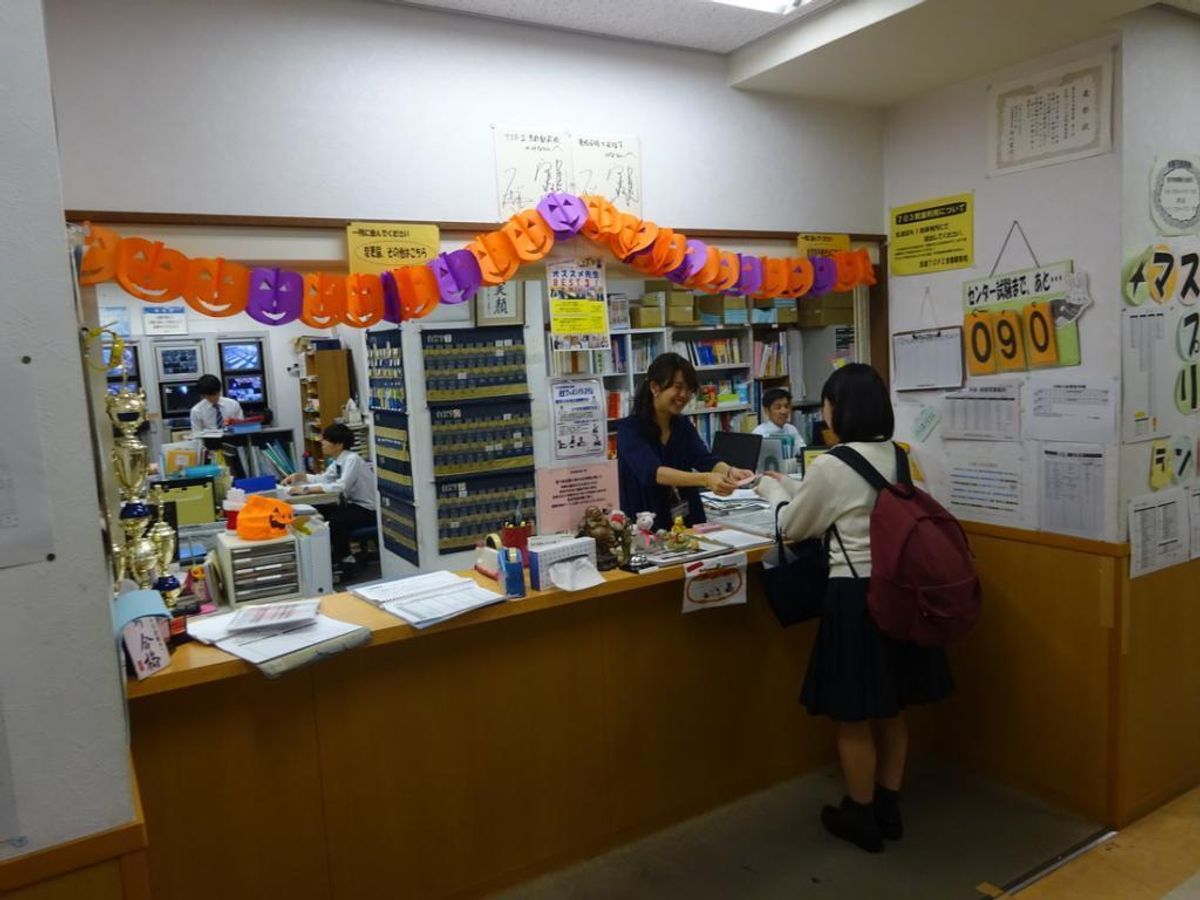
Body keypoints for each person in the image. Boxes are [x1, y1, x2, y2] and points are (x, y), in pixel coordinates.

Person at [755, 363, 952, 853]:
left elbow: (793, 527)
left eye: (827, 404)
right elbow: (860, 505)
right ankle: (888, 805)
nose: (823, 412)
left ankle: (860, 815)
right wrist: (795, 489)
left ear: (840, 409)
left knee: (854, 714)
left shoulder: (833, 463)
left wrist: (773, 491)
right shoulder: (900, 456)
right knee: (891, 705)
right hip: (898, 592)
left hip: (853, 597)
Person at [616, 352, 754, 532]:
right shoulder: (629, 429)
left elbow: (704, 458)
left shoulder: (682, 425)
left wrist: (730, 471)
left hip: (687, 518)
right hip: (646, 520)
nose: (684, 395)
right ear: (655, 388)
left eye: (689, 389)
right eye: (678, 387)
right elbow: (654, 473)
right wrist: (706, 479)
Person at [282, 422, 376, 575]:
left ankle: (347, 561)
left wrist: (305, 489)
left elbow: (341, 486)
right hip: (353, 505)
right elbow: (324, 479)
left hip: (368, 509)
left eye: (326, 440)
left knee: (336, 520)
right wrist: (300, 477)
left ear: (339, 444)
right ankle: (328, 554)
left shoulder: (352, 459)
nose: (322, 443)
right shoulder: (338, 460)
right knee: (317, 511)